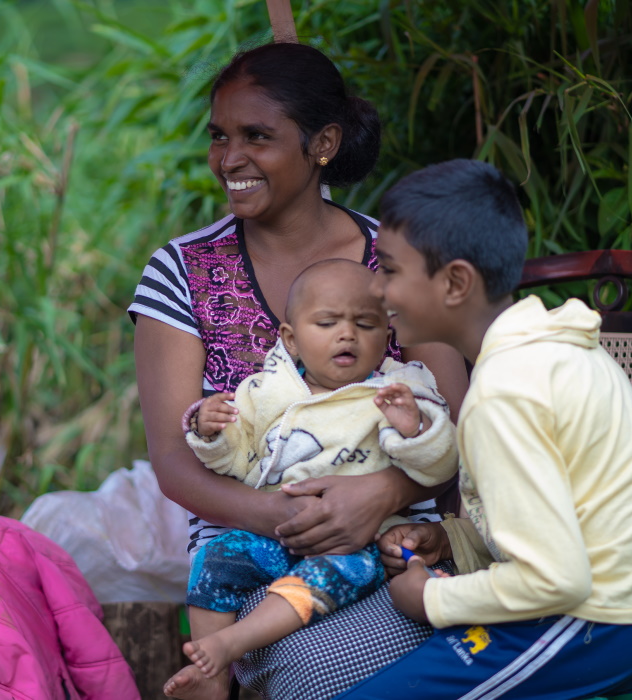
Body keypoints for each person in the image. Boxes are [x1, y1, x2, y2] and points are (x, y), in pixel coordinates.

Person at [130, 42, 469, 700]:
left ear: (324, 144)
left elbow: (464, 421)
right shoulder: (182, 273)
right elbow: (174, 463)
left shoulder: (396, 259)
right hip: (248, 562)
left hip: (405, 544)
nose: (230, 160)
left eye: (257, 136)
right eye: (220, 137)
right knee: (326, 670)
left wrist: (381, 495)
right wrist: (288, 517)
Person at [335, 158, 632, 699]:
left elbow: (555, 579)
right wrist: (453, 538)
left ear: (456, 281)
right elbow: (562, 512)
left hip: (597, 622)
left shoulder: (504, 392)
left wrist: (429, 602)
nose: (376, 288)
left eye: (390, 269)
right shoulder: (549, 346)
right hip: (629, 608)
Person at [163, 260, 458, 697]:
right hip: (277, 535)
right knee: (217, 558)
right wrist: (210, 431)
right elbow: (235, 461)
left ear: (386, 335)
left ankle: (229, 644)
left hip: (362, 543)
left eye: (365, 323)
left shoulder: (399, 389)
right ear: (291, 339)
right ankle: (209, 682)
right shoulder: (266, 392)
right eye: (327, 322)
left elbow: (441, 462)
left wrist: (415, 429)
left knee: (328, 575)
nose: (347, 334)